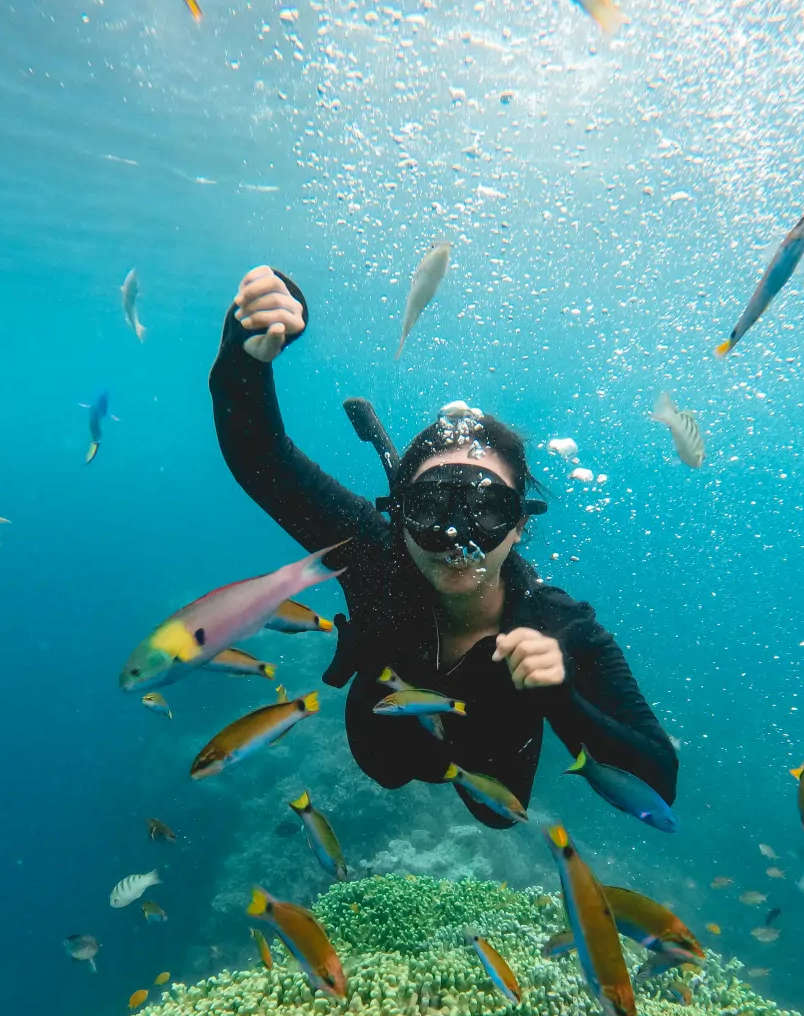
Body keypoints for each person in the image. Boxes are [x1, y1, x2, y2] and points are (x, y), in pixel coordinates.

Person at [209, 265, 678, 830]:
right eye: (431, 507)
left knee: (499, 814)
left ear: (519, 525)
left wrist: (563, 695)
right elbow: (261, 456)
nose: (457, 537)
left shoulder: (560, 627)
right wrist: (244, 354)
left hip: (493, 768)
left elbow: (659, 781)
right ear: (401, 516)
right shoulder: (374, 553)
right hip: (386, 740)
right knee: (386, 768)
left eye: (487, 509)